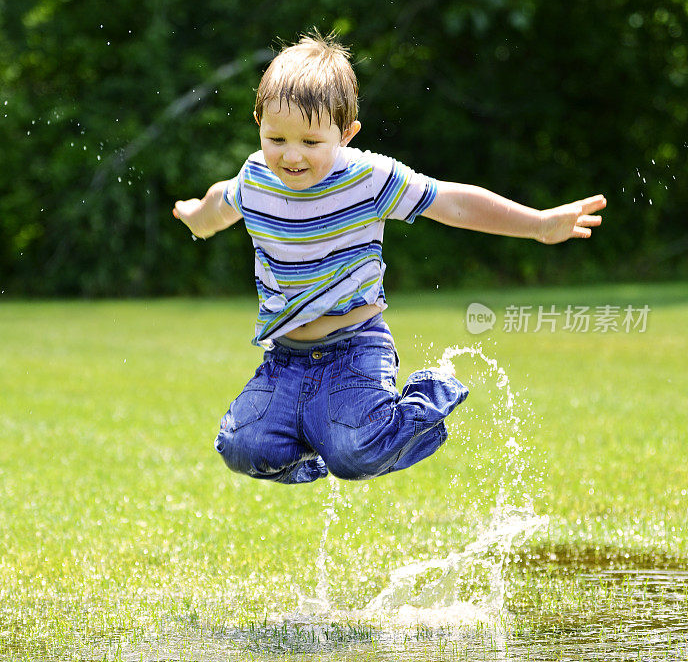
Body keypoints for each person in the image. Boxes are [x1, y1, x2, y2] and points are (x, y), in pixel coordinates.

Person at [172, 33, 605, 485]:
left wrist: (537, 223)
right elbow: (222, 200)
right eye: (276, 137)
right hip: (285, 357)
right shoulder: (256, 178)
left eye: (311, 141)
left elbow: (452, 202)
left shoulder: (369, 178)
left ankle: (423, 399)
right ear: (258, 121)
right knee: (243, 449)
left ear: (346, 134)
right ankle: (325, 444)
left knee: (357, 455)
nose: (291, 154)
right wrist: (198, 218)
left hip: (355, 347)